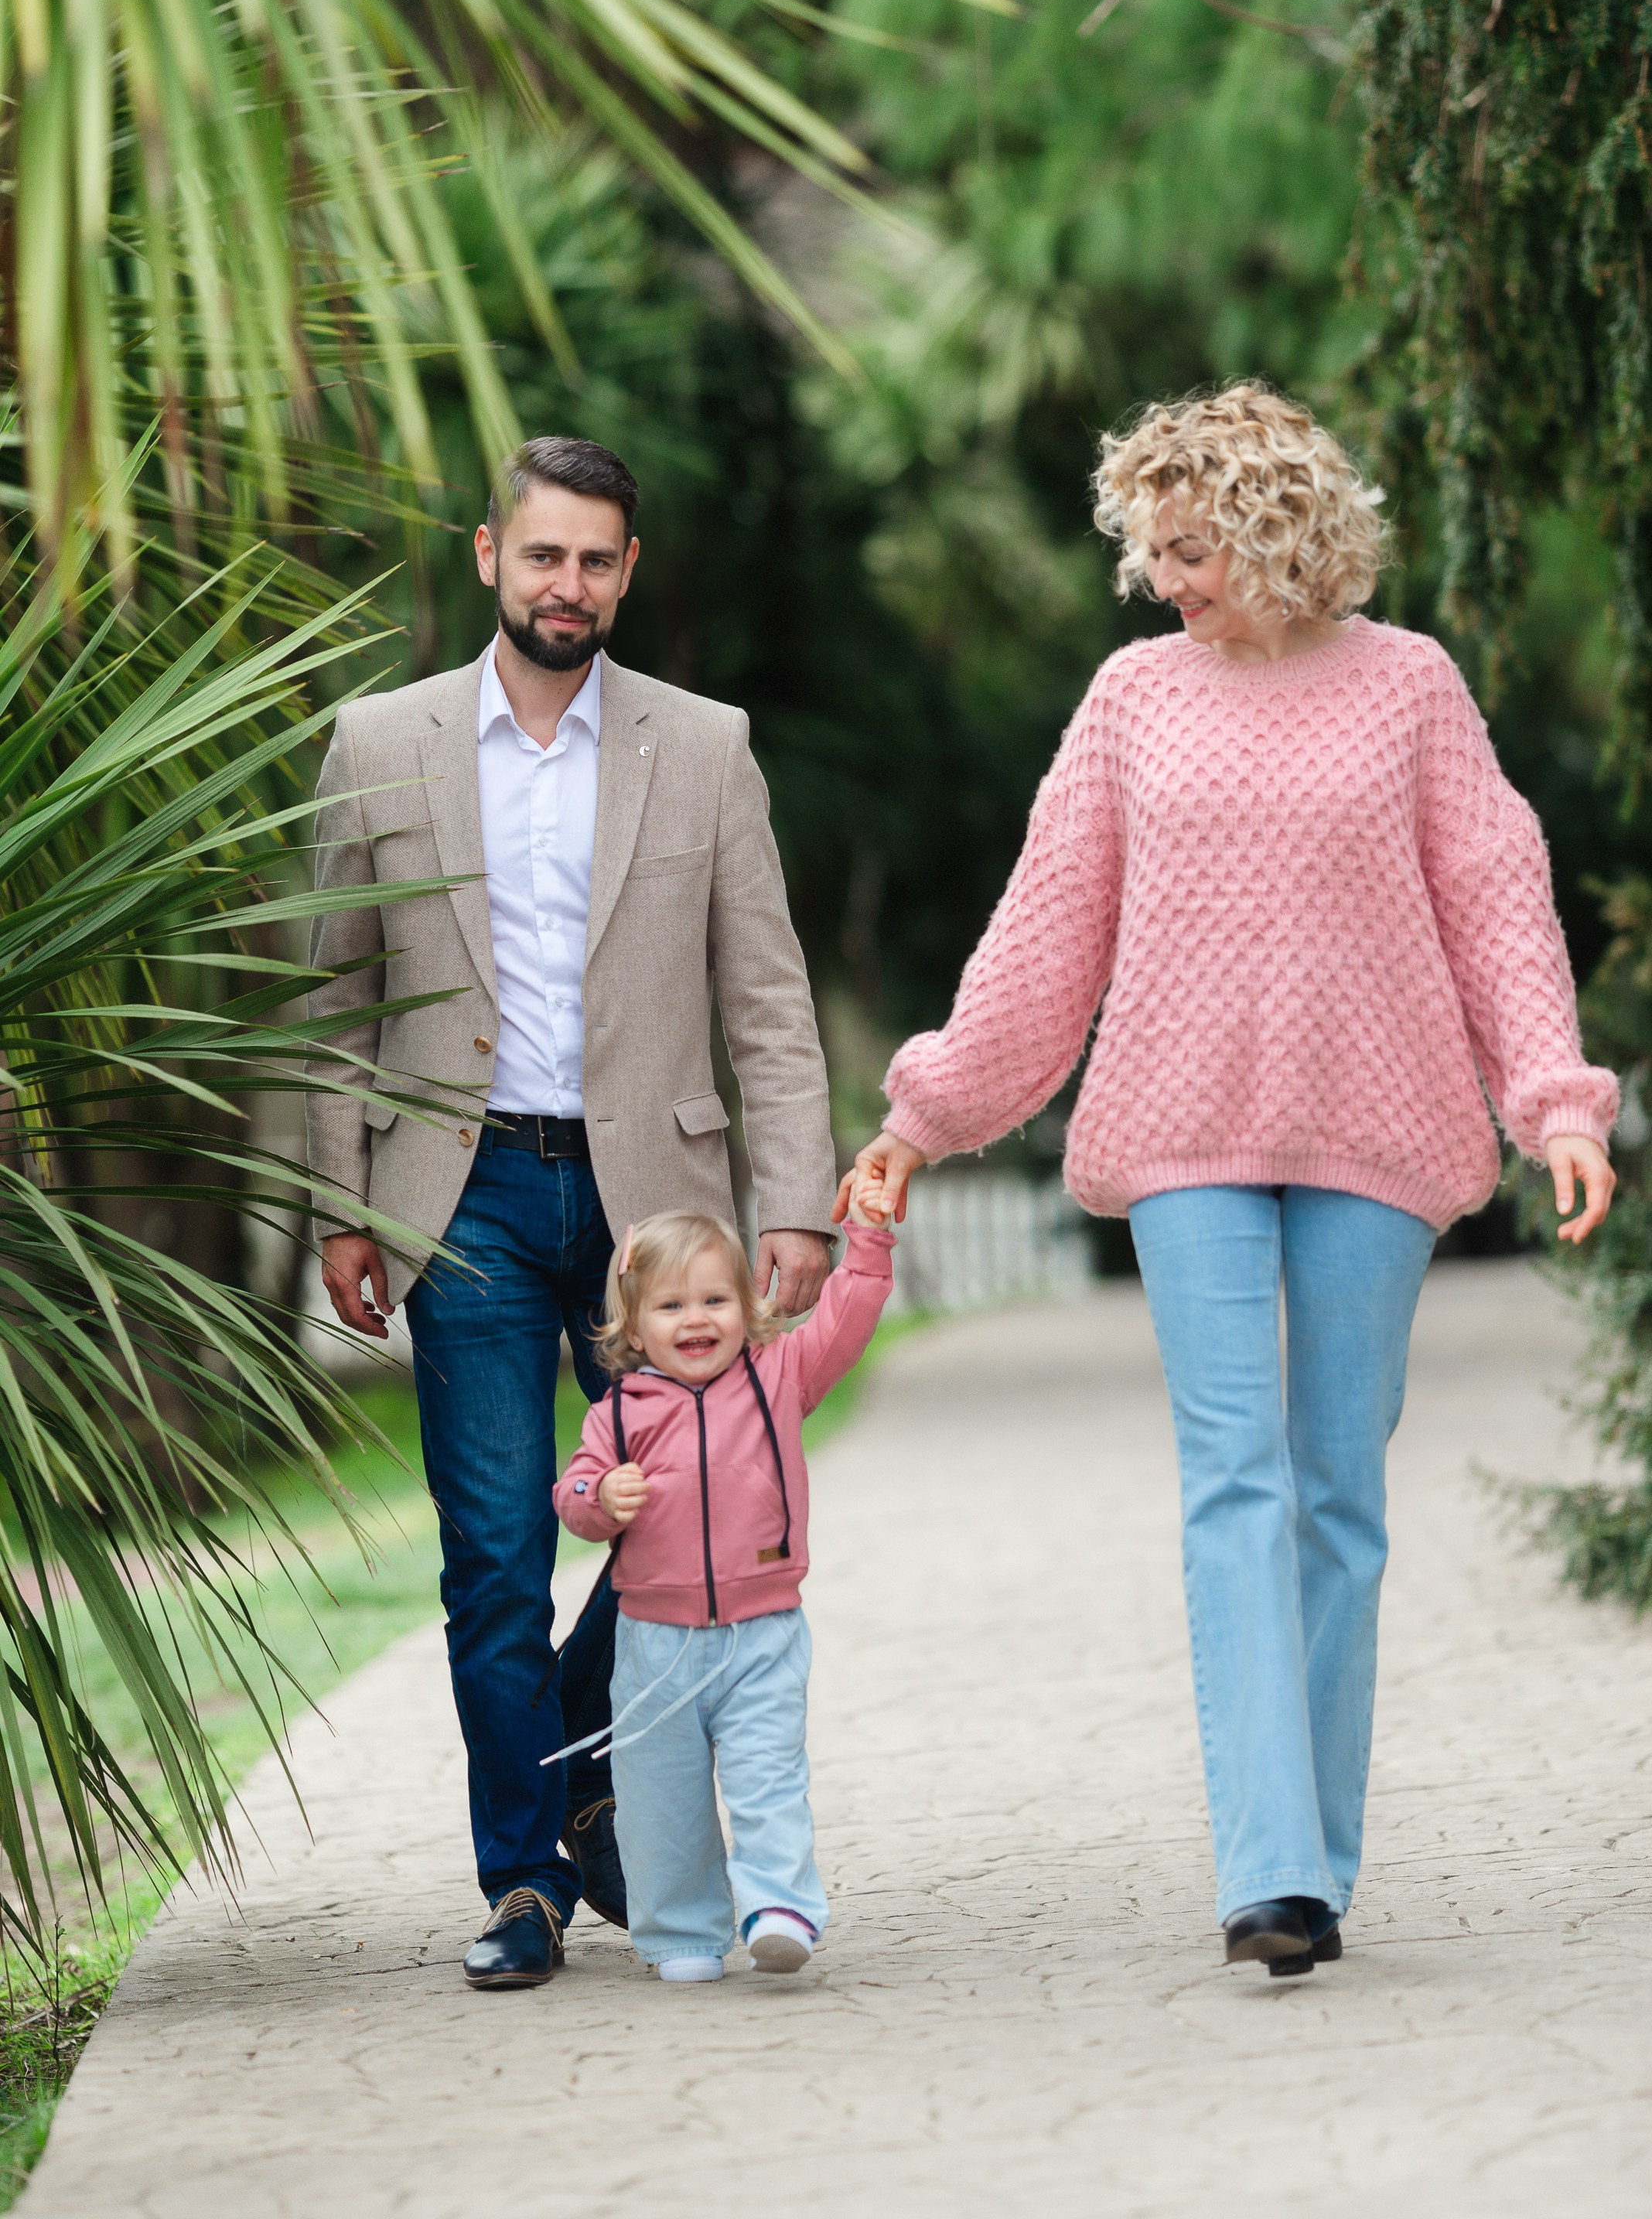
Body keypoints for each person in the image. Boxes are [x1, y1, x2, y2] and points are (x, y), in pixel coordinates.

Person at [844, 383, 1617, 1978]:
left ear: (1279, 530)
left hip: (1379, 1128)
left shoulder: (1411, 687)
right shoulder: (1133, 698)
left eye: (1191, 547)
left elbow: (1495, 899)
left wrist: (1557, 1103)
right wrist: (926, 1112)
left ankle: (1315, 1856)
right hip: (1183, 1128)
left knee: (1337, 1485)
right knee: (1231, 1475)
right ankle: (1268, 1869)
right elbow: (1046, 929)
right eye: (1153, 551)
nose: (1165, 579)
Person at [305, 435, 838, 1988]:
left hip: (654, 1207)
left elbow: (768, 996)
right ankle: (528, 1878)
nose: (569, 584)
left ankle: (582, 1755)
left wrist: (796, 1200)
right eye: (544, 554)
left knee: (688, 1513)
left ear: (628, 571)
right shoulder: (377, 742)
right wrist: (339, 1203)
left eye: (597, 560)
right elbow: (332, 998)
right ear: (490, 554)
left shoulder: (705, 746)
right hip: (457, 1191)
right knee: (492, 1553)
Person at [552, 1203, 895, 1982]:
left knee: (768, 1776)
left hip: (762, 1633)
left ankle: (780, 1908)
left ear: (747, 1305)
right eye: (671, 1305)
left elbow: (846, 1318)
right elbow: (572, 1495)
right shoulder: (618, 1414)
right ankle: (682, 1935)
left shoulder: (781, 1376)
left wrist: (870, 1240)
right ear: (634, 1325)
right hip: (655, 1645)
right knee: (660, 1799)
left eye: (715, 1298)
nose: (697, 1319)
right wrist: (601, 1495)